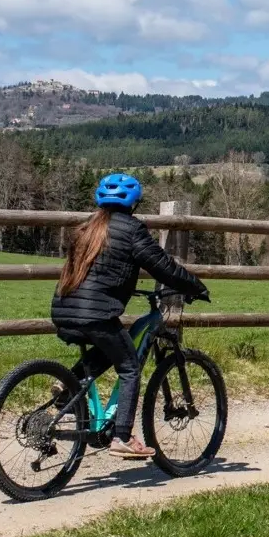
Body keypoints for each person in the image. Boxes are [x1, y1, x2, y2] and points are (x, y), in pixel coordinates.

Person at [51, 172, 210, 459]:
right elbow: (163, 266)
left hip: (64, 309)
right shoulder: (132, 230)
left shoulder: (86, 228)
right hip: (95, 314)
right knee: (129, 368)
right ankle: (121, 437)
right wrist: (195, 286)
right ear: (134, 204)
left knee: (109, 347)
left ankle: (67, 382)